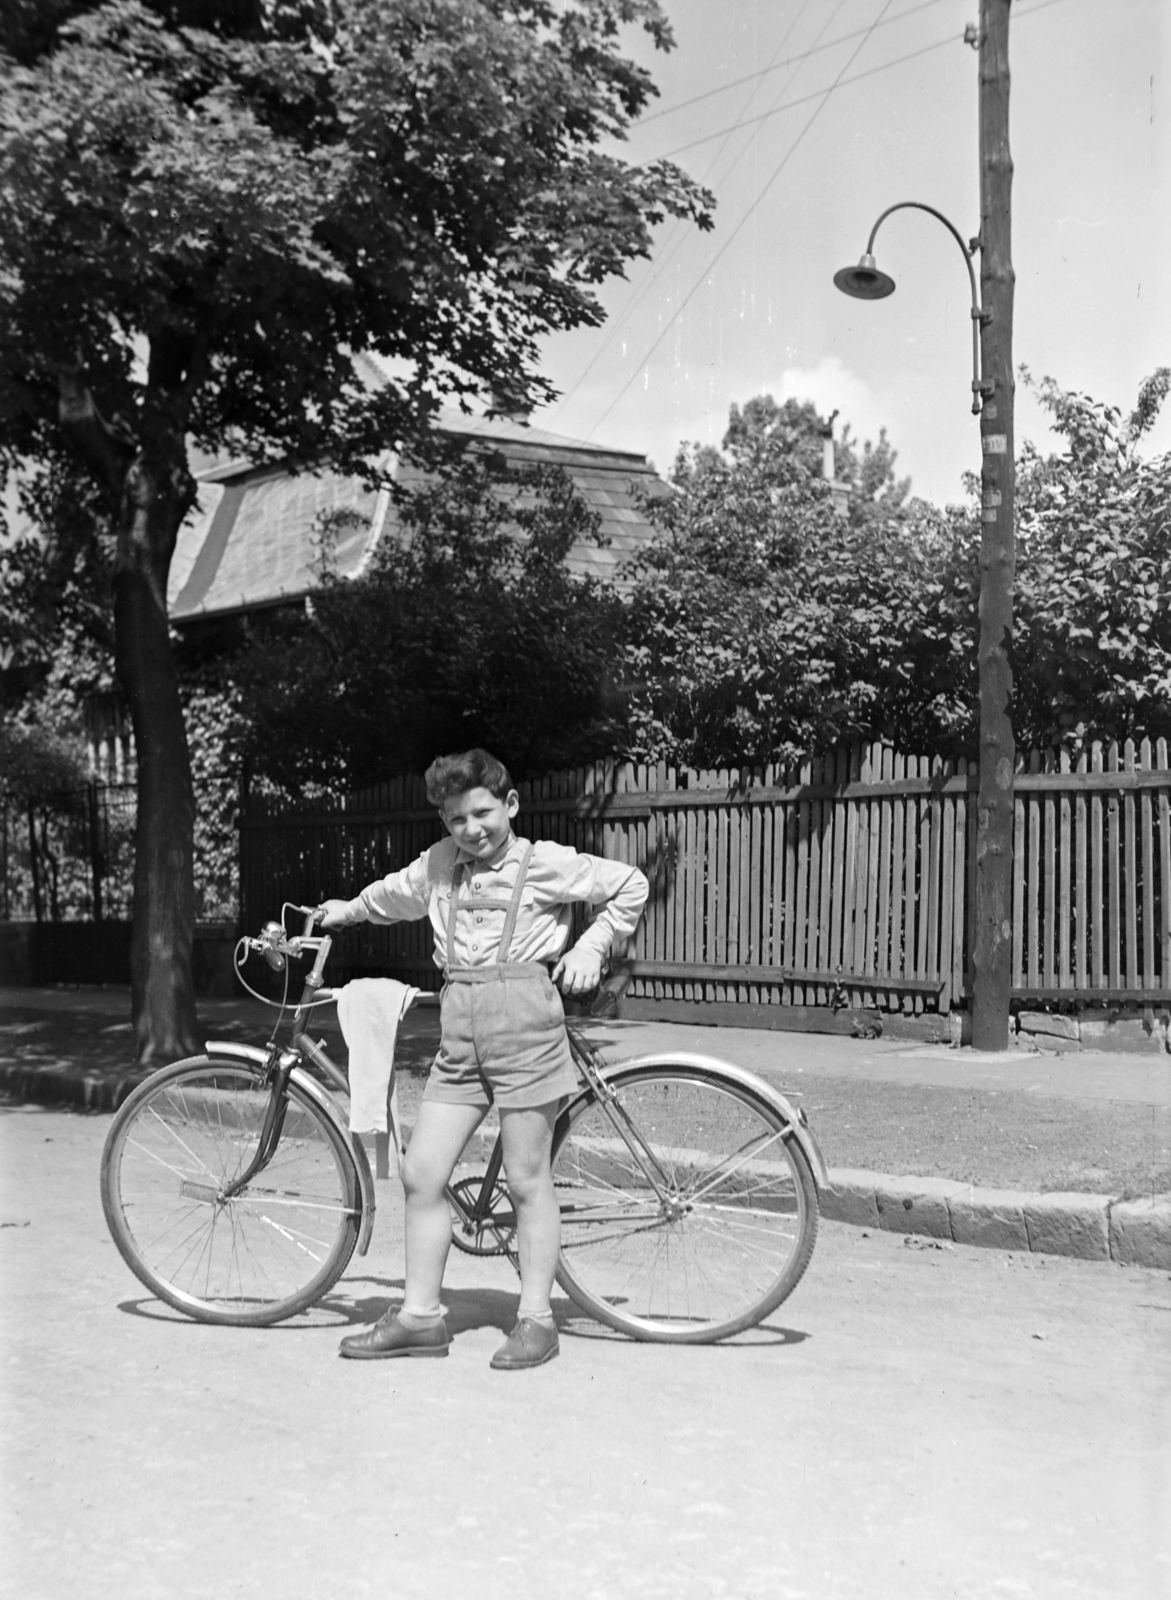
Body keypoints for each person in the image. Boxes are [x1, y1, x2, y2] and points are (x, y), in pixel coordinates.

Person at [318, 747, 649, 1370]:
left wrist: (592, 947)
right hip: (460, 1029)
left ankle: (536, 1320)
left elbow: (631, 883)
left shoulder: (543, 862)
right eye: (456, 819)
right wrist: (350, 911)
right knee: (422, 1173)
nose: (470, 829)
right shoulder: (441, 865)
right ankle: (421, 1317)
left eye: (482, 814)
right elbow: (395, 894)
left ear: (510, 805)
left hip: (526, 1023)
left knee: (526, 1178)